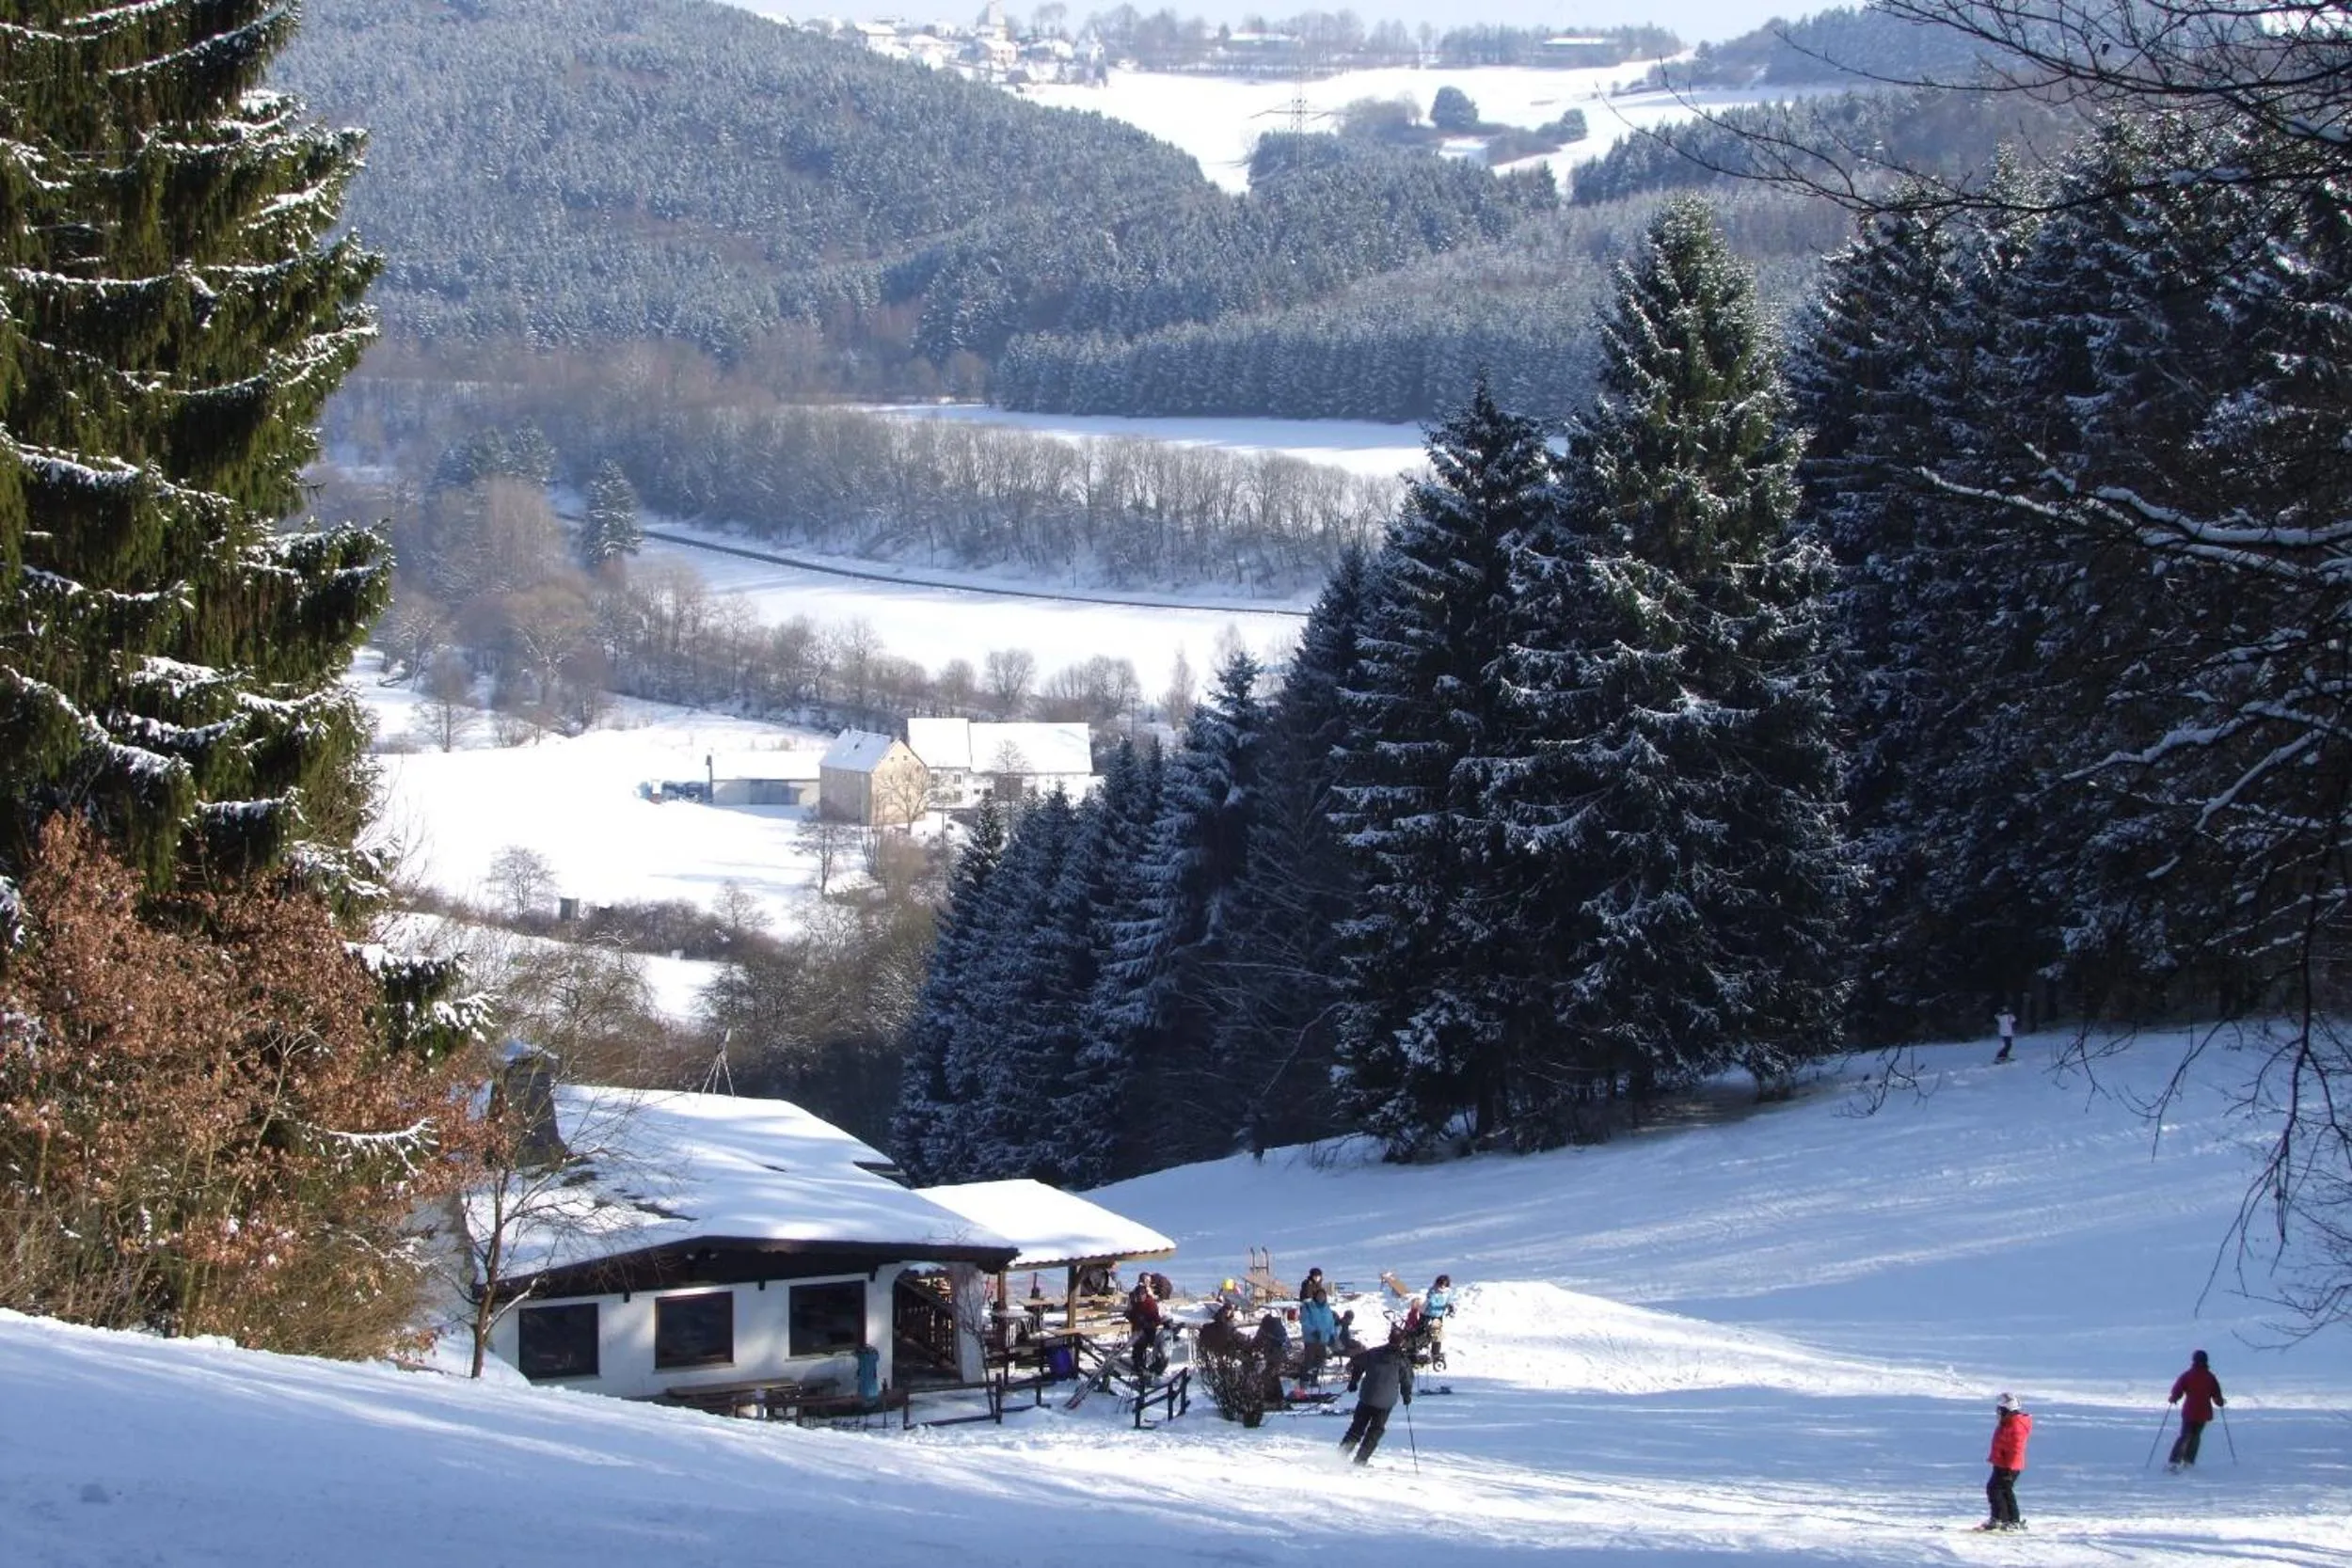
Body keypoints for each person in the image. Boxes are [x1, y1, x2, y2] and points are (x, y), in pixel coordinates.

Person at [1338, 1329, 1416, 1465]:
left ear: (1389, 1338)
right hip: (1386, 1402)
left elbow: (1358, 1364)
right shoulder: (1402, 1359)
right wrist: (1406, 1396)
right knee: (1375, 1430)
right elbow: (1407, 1380)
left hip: (1367, 1396)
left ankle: (1339, 1457)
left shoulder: (1373, 1353)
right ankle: (1360, 1460)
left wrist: (1353, 1382)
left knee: (1356, 1428)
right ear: (1402, 1342)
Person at [1977, 1392, 2031, 1531]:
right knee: (1999, 1490)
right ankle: (2004, 1518)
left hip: (2009, 1466)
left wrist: (2010, 1467)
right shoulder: (2008, 1423)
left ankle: (2006, 1519)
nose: (1998, 1413)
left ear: (2008, 1411)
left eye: (2001, 1410)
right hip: (2002, 1463)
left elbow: (2016, 1448)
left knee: (1999, 1490)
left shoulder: (2015, 1425)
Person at [2167, 1350, 2226, 1469]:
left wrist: (2174, 1397)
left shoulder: (2188, 1375)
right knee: (2195, 1436)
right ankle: (2189, 1461)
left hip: (2190, 1410)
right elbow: (2216, 1393)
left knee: (2185, 1435)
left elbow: (2178, 1389)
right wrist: (2219, 1401)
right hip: (2203, 1412)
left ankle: (2174, 1461)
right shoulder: (2210, 1377)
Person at [1422, 1274, 1457, 1370]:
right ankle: (1421, 1347)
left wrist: (1451, 1308)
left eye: (1444, 1285)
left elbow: (1450, 1301)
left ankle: (1435, 1352)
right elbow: (1431, 1301)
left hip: (1438, 1316)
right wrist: (1438, 1304)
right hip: (1428, 1313)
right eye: (1440, 1284)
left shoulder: (1448, 1292)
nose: (1441, 1287)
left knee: (1437, 1334)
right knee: (1422, 1330)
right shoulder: (1432, 1290)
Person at [854, 1342, 882, 1410]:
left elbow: (855, 1354)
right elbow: (877, 1356)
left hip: (866, 1376)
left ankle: (867, 1404)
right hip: (869, 1376)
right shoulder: (871, 1357)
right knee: (869, 1389)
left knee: (865, 1389)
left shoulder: (863, 1356)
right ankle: (869, 1404)